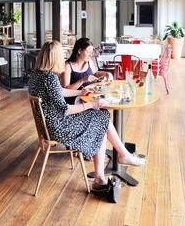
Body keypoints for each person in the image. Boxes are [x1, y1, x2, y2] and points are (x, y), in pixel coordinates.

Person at [28, 41, 146, 193]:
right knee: (102, 117)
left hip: (47, 125)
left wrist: (80, 93)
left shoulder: (37, 75)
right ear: (54, 57)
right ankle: (116, 162)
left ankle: (105, 172)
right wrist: (91, 104)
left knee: (101, 118)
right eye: (61, 55)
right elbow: (65, 109)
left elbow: (61, 92)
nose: (63, 57)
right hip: (58, 126)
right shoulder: (50, 78)